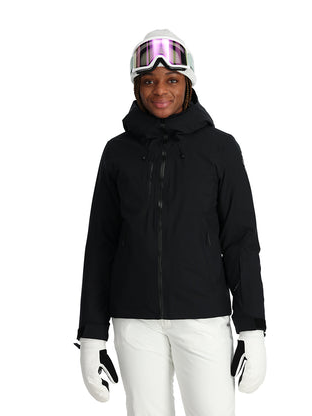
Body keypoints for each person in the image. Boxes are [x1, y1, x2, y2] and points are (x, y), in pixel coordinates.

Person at [75, 29, 267, 416]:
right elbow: (101, 244)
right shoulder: (117, 153)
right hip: (134, 320)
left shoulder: (220, 149)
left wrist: (252, 328)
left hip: (203, 317)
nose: (160, 90)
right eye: (149, 81)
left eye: (172, 80)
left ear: (188, 84)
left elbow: (240, 241)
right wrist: (92, 334)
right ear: (136, 87)